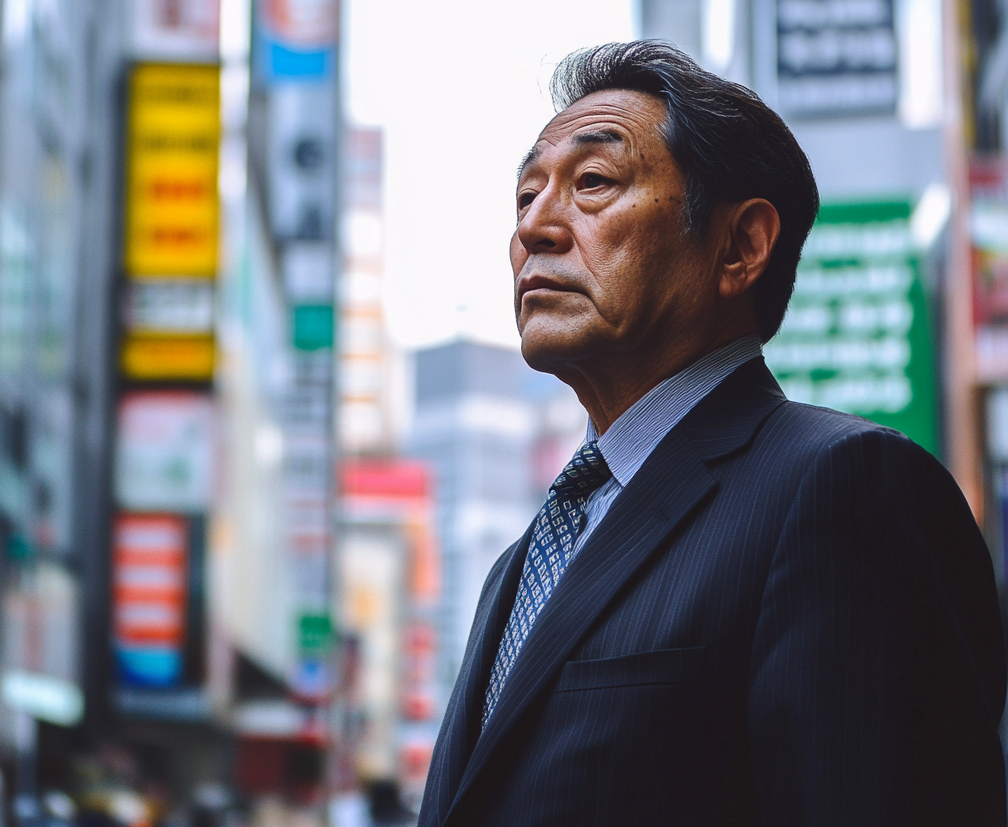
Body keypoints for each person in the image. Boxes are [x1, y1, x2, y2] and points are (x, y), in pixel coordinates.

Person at [418, 41, 1007, 826]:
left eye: (592, 183)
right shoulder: (517, 567)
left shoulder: (842, 488)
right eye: (526, 197)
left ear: (741, 247)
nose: (536, 228)